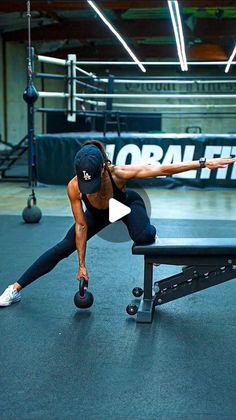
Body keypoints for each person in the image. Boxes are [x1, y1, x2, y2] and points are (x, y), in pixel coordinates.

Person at [0, 140, 235, 307]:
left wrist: (203, 164)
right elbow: (81, 226)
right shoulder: (74, 186)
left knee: (143, 237)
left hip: (123, 206)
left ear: (103, 167)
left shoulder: (118, 173)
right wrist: (82, 265)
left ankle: (153, 235)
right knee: (63, 247)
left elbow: (161, 169)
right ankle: (15, 289)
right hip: (98, 214)